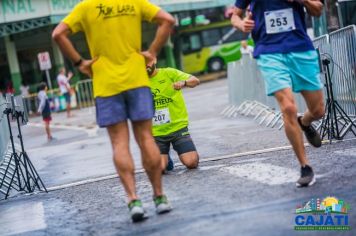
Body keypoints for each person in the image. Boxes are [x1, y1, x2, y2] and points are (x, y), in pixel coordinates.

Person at [52, 0, 175, 222]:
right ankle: (160, 197)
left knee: (119, 143)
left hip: (106, 84)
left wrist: (80, 62)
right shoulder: (134, 3)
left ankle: (133, 200)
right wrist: (152, 52)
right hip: (137, 80)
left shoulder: (86, 8)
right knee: (146, 138)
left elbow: (58, 34)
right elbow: (167, 20)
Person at [231, 0, 325, 187]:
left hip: (300, 49)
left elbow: (317, 10)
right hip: (269, 51)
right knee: (288, 107)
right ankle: (304, 166)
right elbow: (235, 15)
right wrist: (241, 24)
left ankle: (304, 122)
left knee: (318, 111)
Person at [147, 64, 200, 173]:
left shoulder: (169, 73)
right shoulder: (138, 81)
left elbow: (195, 80)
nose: (145, 65)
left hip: (178, 128)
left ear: (154, 60)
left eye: (148, 62)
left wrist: (184, 83)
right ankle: (165, 158)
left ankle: (166, 154)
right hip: (156, 133)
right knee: (159, 169)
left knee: (191, 163)